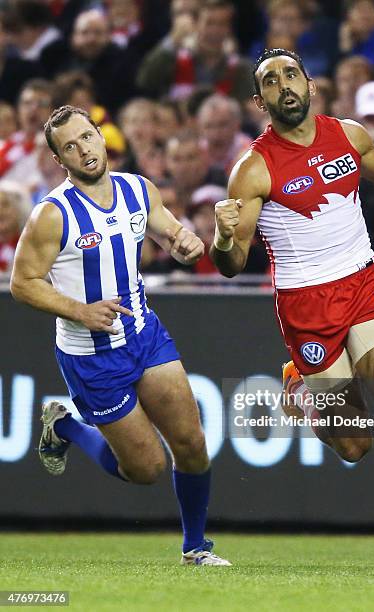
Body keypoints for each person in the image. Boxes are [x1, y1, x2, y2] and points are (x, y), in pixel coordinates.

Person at [210, 48, 374, 573]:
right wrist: (220, 235)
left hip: (365, 284)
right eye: (270, 81)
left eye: (291, 74)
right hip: (307, 306)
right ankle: (303, 397)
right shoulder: (253, 169)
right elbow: (233, 263)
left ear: (309, 83)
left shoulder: (348, 135)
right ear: (259, 101)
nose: (284, 84)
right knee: (354, 444)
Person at [10, 105, 230, 567]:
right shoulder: (51, 215)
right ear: (59, 160)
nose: (83, 150)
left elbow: (171, 235)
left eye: (87, 138)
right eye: (70, 146)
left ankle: (196, 548)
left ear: (100, 136)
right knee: (146, 469)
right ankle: (65, 426)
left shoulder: (137, 189)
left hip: (144, 334)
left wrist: (186, 244)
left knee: (191, 443)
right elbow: (22, 283)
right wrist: (79, 311)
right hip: (91, 356)